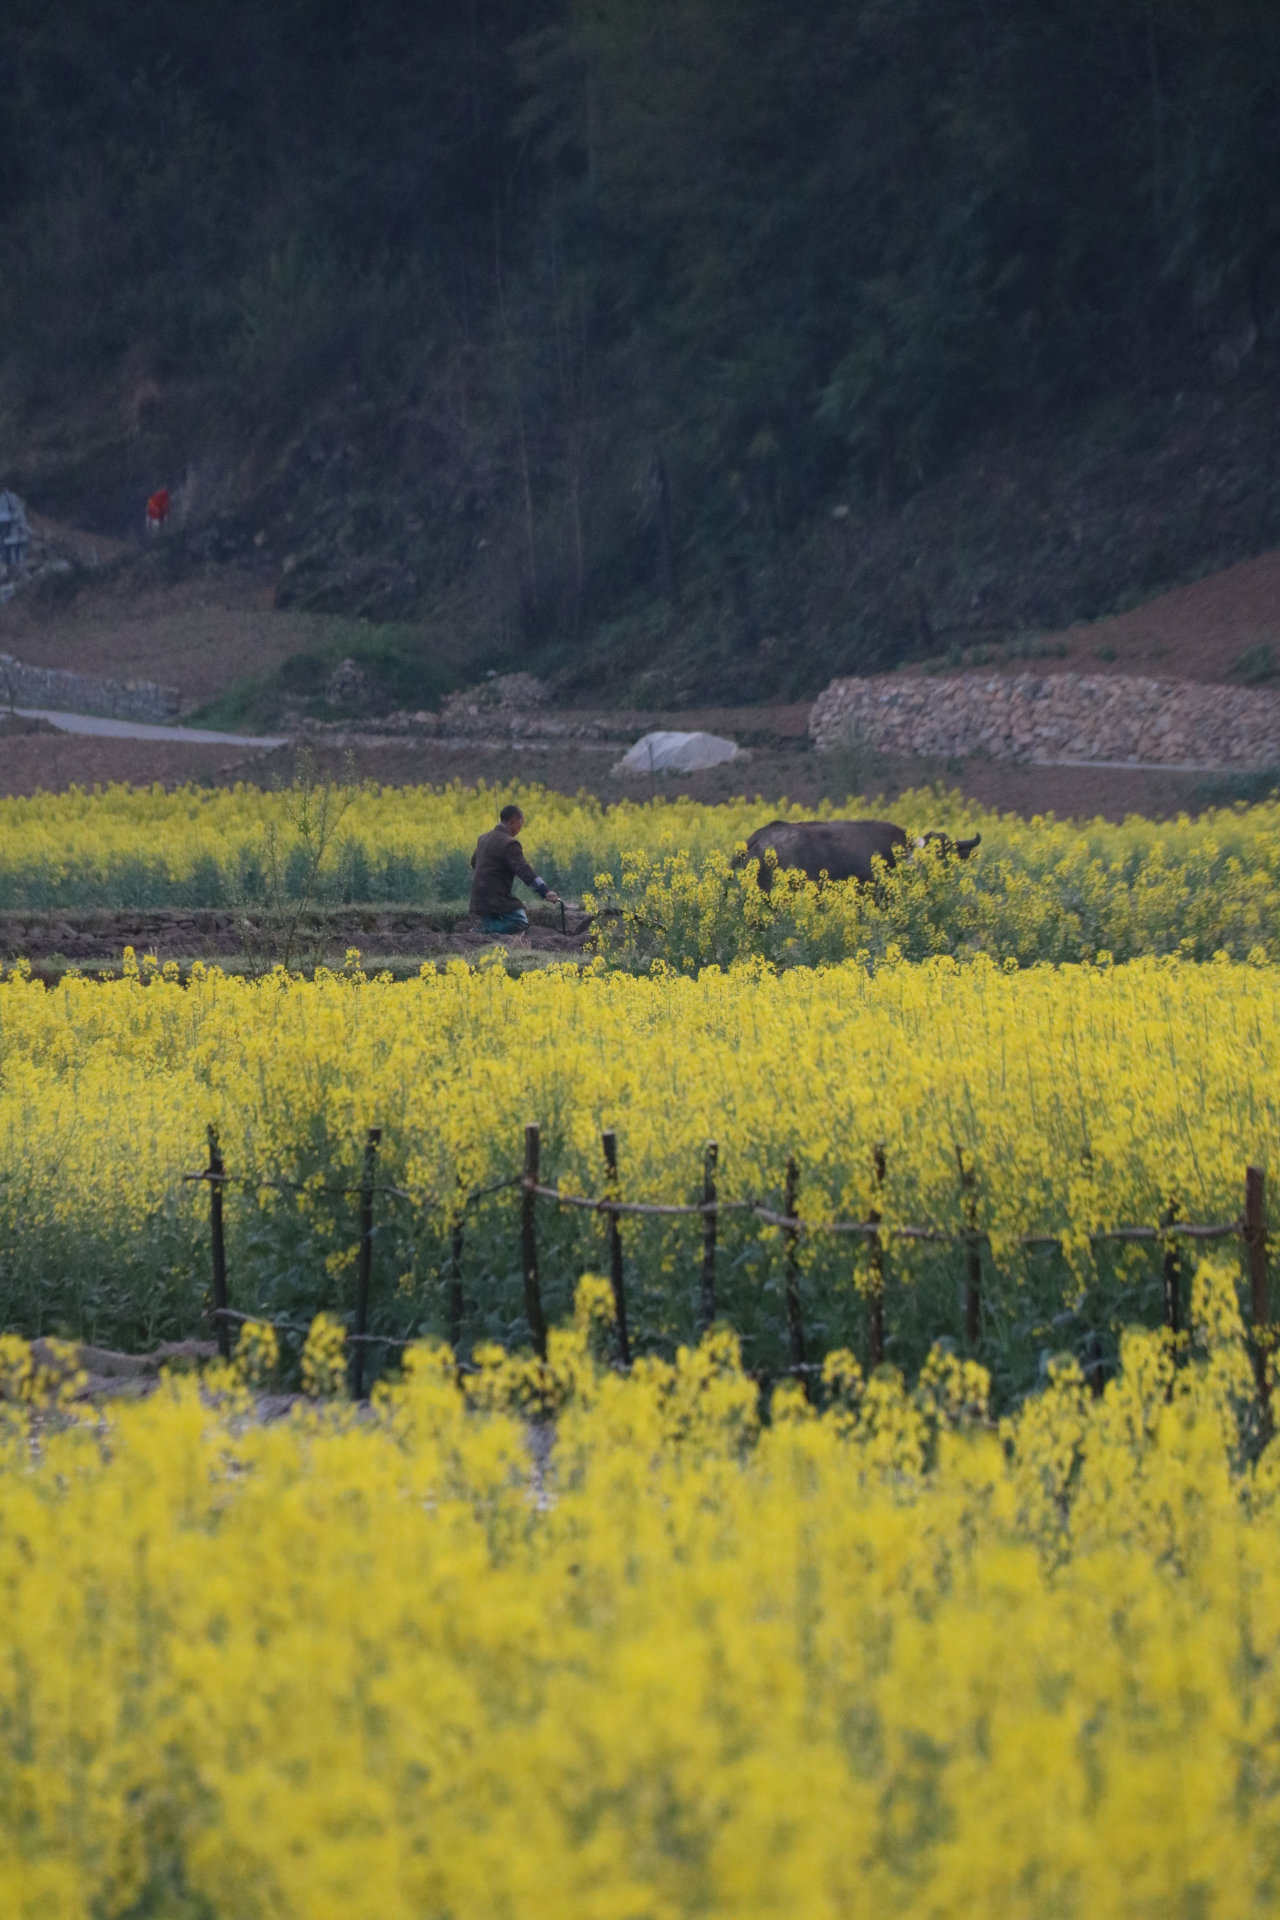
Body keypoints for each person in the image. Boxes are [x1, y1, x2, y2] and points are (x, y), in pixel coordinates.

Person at [469, 804, 559, 938]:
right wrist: (544, 891)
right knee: (519, 921)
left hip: (478, 896)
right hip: (495, 897)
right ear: (513, 821)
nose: (520, 828)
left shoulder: (483, 838)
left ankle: (484, 932)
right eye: (520, 824)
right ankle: (482, 931)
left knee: (492, 921)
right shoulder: (509, 843)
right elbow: (524, 871)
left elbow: (474, 863)